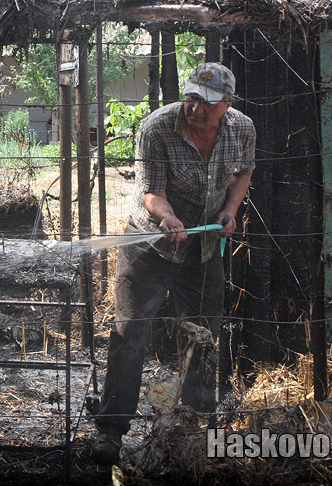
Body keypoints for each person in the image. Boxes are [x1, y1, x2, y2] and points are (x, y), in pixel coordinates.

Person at [92, 62, 256, 465]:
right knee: (129, 333)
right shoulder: (158, 127)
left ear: (227, 105)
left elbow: (244, 172)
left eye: (208, 103)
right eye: (192, 97)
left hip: (202, 246)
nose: (196, 109)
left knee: (204, 333)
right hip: (151, 245)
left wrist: (230, 211)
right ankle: (111, 432)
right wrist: (167, 217)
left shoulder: (243, 129)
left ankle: (195, 425)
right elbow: (152, 191)